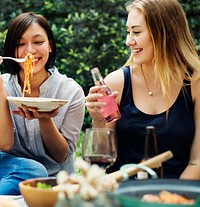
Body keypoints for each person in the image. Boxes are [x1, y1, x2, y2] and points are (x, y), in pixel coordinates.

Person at [85, 0, 200, 179]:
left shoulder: (194, 82)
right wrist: (98, 122)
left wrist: (170, 197)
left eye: (136, 32)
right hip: (123, 194)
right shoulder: (116, 84)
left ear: (164, 33)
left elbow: (197, 160)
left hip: (178, 194)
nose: (128, 41)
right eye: (128, 32)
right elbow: (100, 162)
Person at [0, 12, 85, 195]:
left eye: (38, 42)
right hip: (9, 170)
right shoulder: (3, 85)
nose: (30, 51)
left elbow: (61, 155)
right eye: (20, 44)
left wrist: (45, 119)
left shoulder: (71, 92)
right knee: (30, 169)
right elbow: (4, 144)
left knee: (36, 171)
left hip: (54, 179)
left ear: (50, 45)